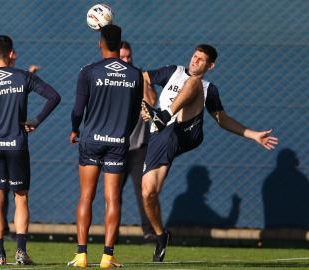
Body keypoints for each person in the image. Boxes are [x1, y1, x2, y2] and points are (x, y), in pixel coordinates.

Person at [141, 44, 279, 262]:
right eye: (194, 56)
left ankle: (164, 115)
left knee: (193, 82)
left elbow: (222, 119)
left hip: (187, 131)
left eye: (201, 59)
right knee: (148, 193)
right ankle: (161, 236)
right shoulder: (172, 71)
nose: (195, 61)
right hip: (162, 135)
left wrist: (253, 135)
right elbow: (142, 78)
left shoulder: (207, 87)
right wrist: (147, 99)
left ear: (210, 65)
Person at [0, 35, 61, 265]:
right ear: (12, 54)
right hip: (16, 144)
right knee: (20, 198)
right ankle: (21, 252)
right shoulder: (23, 76)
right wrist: (36, 120)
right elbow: (54, 96)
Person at [68, 25, 143, 268]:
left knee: (86, 196)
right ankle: (107, 257)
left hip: (91, 140)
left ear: (100, 43)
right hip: (117, 142)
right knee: (113, 199)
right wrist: (122, 133)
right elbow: (134, 114)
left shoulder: (89, 71)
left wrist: (75, 129)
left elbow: (78, 109)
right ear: (120, 45)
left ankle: (81, 255)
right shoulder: (135, 74)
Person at [119, 41, 156, 241]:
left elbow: (151, 102)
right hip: (117, 147)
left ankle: (149, 231)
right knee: (113, 193)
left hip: (140, 147)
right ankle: (111, 234)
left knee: (145, 191)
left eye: (128, 57)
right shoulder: (112, 80)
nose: (126, 61)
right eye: (122, 57)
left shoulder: (140, 77)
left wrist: (143, 82)